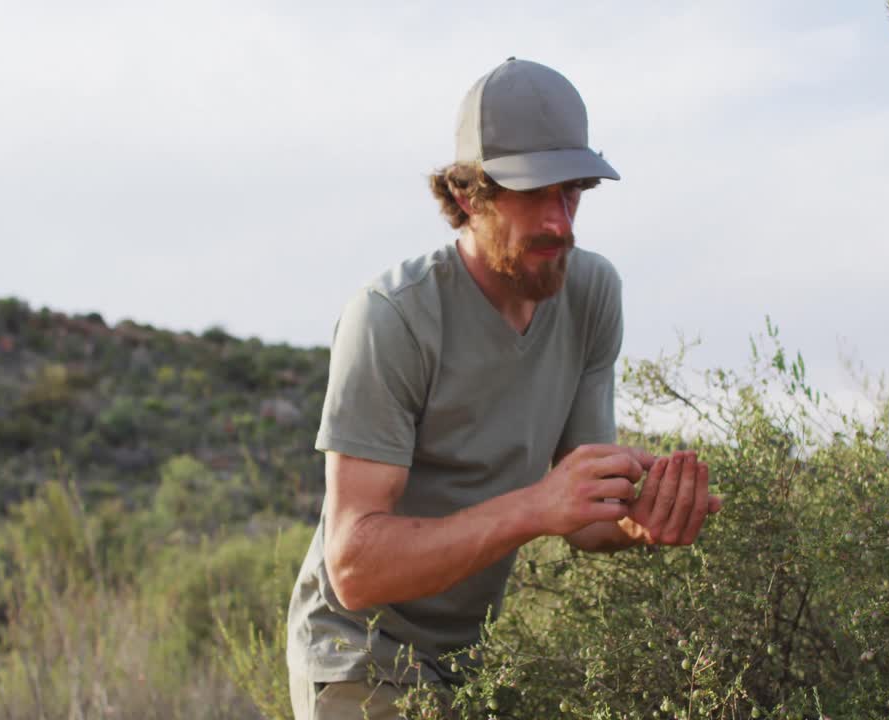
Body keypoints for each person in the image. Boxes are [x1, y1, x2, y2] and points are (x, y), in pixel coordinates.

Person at [286, 57, 721, 720]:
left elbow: (585, 518)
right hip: (356, 654)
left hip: (469, 663)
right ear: (468, 196)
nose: (561, 222)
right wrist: (536, 507)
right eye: (536, 194)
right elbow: (354, 569)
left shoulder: (592, 294)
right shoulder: (391, 318)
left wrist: (642, 519)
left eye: (573, 191)